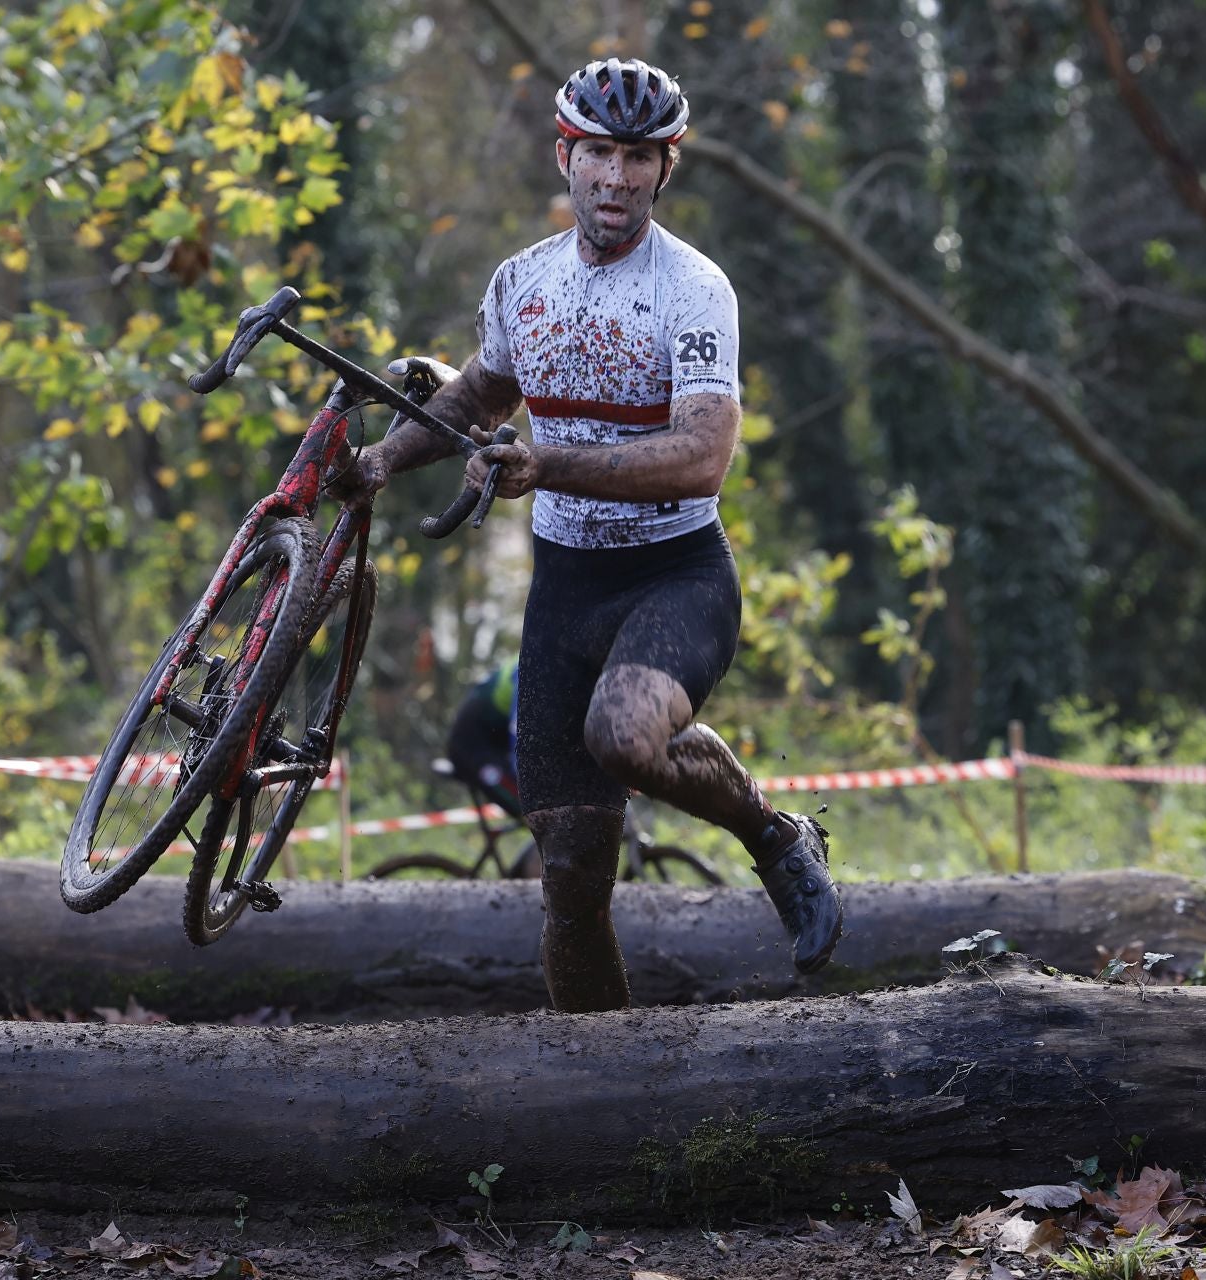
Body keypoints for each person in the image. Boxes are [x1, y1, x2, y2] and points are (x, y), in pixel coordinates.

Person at [332, 57, 843, 1011]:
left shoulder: (695, 289)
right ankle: (604, 1092)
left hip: (675, 576)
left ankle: (773, 836)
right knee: (569, 880)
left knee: (623, 736)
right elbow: (480, 393)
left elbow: (702, 456)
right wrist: (377, 465)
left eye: (637, 158)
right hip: (565, 588)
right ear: (565, 156)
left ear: (665, 168)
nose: (615, 177)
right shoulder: (522, 282)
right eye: (598, 153)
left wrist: (551, 463)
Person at [444, 659, 522, 818]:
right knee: (531, 808)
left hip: (497, 735)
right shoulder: (531, 663)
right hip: (471, 742)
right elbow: (520, 731)